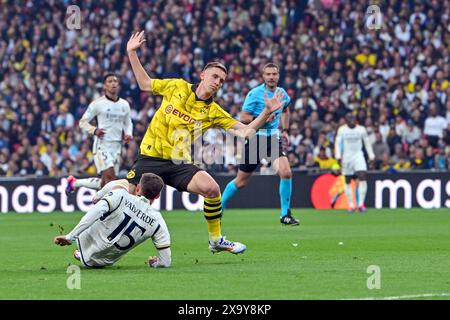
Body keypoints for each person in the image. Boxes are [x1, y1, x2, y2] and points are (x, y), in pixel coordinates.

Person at [125, 31, 286, 254]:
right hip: (150, 157)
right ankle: (95, 242)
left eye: (221, 81)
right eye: (215, 77)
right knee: (126, 204)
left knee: (212, 189)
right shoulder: (177, 87)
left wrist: (266, 112)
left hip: (178, 162)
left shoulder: (213, 111)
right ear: (202, 75)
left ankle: (216, 239)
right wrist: (131, 52)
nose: (218, 82)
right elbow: (144, 84)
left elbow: (246, 132)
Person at [221, 63, 300, 226]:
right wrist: (264, 118)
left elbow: (286, 110)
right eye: (268, 74)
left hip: (273, 139)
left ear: (278, 76)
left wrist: (285, 130)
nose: (271, 77)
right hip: (256, 139)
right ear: (263, 76)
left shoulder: (282, 93)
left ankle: (285, 214)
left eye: (274, 74)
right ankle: (218, 207)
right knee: (241, 181)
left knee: (286, 173)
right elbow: (243, 117)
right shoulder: (255, 94)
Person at [54, 173, 171, 268]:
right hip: (104, 261)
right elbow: (166, 262)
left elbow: (94, 213)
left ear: (138, 188)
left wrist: (70, 237)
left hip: (85, 241)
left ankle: (97, 197)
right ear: (157, 196)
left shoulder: (121, 195)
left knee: (123, 183)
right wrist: (155, 264)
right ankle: (87, 255)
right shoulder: (158, 221)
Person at [65, 73, 133, 194]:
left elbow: (128, 122)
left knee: (105, 183)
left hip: (117, 146)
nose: (113, 83)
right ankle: (100, 203)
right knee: (111, 177)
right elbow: (82, 122)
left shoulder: (124, 104)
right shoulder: (97, 104)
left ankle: (74, 183)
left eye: (115, 81)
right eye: (110, 81)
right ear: (104, 86)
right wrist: (94, 130)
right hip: (102, 145)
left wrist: (128, 133)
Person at [334, 113, 375, 212]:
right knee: (348, 180)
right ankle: (351, 205)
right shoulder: (342, 130)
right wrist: (338, 156)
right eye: (349, 118)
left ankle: (361, 204)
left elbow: (367, 143)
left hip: (358, 156)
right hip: (347, 157)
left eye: (353, 118)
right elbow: (337, 143)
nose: (352, 119)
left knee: (362, 176)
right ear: (346, 120)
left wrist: (371, 156)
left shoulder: (361, 129)